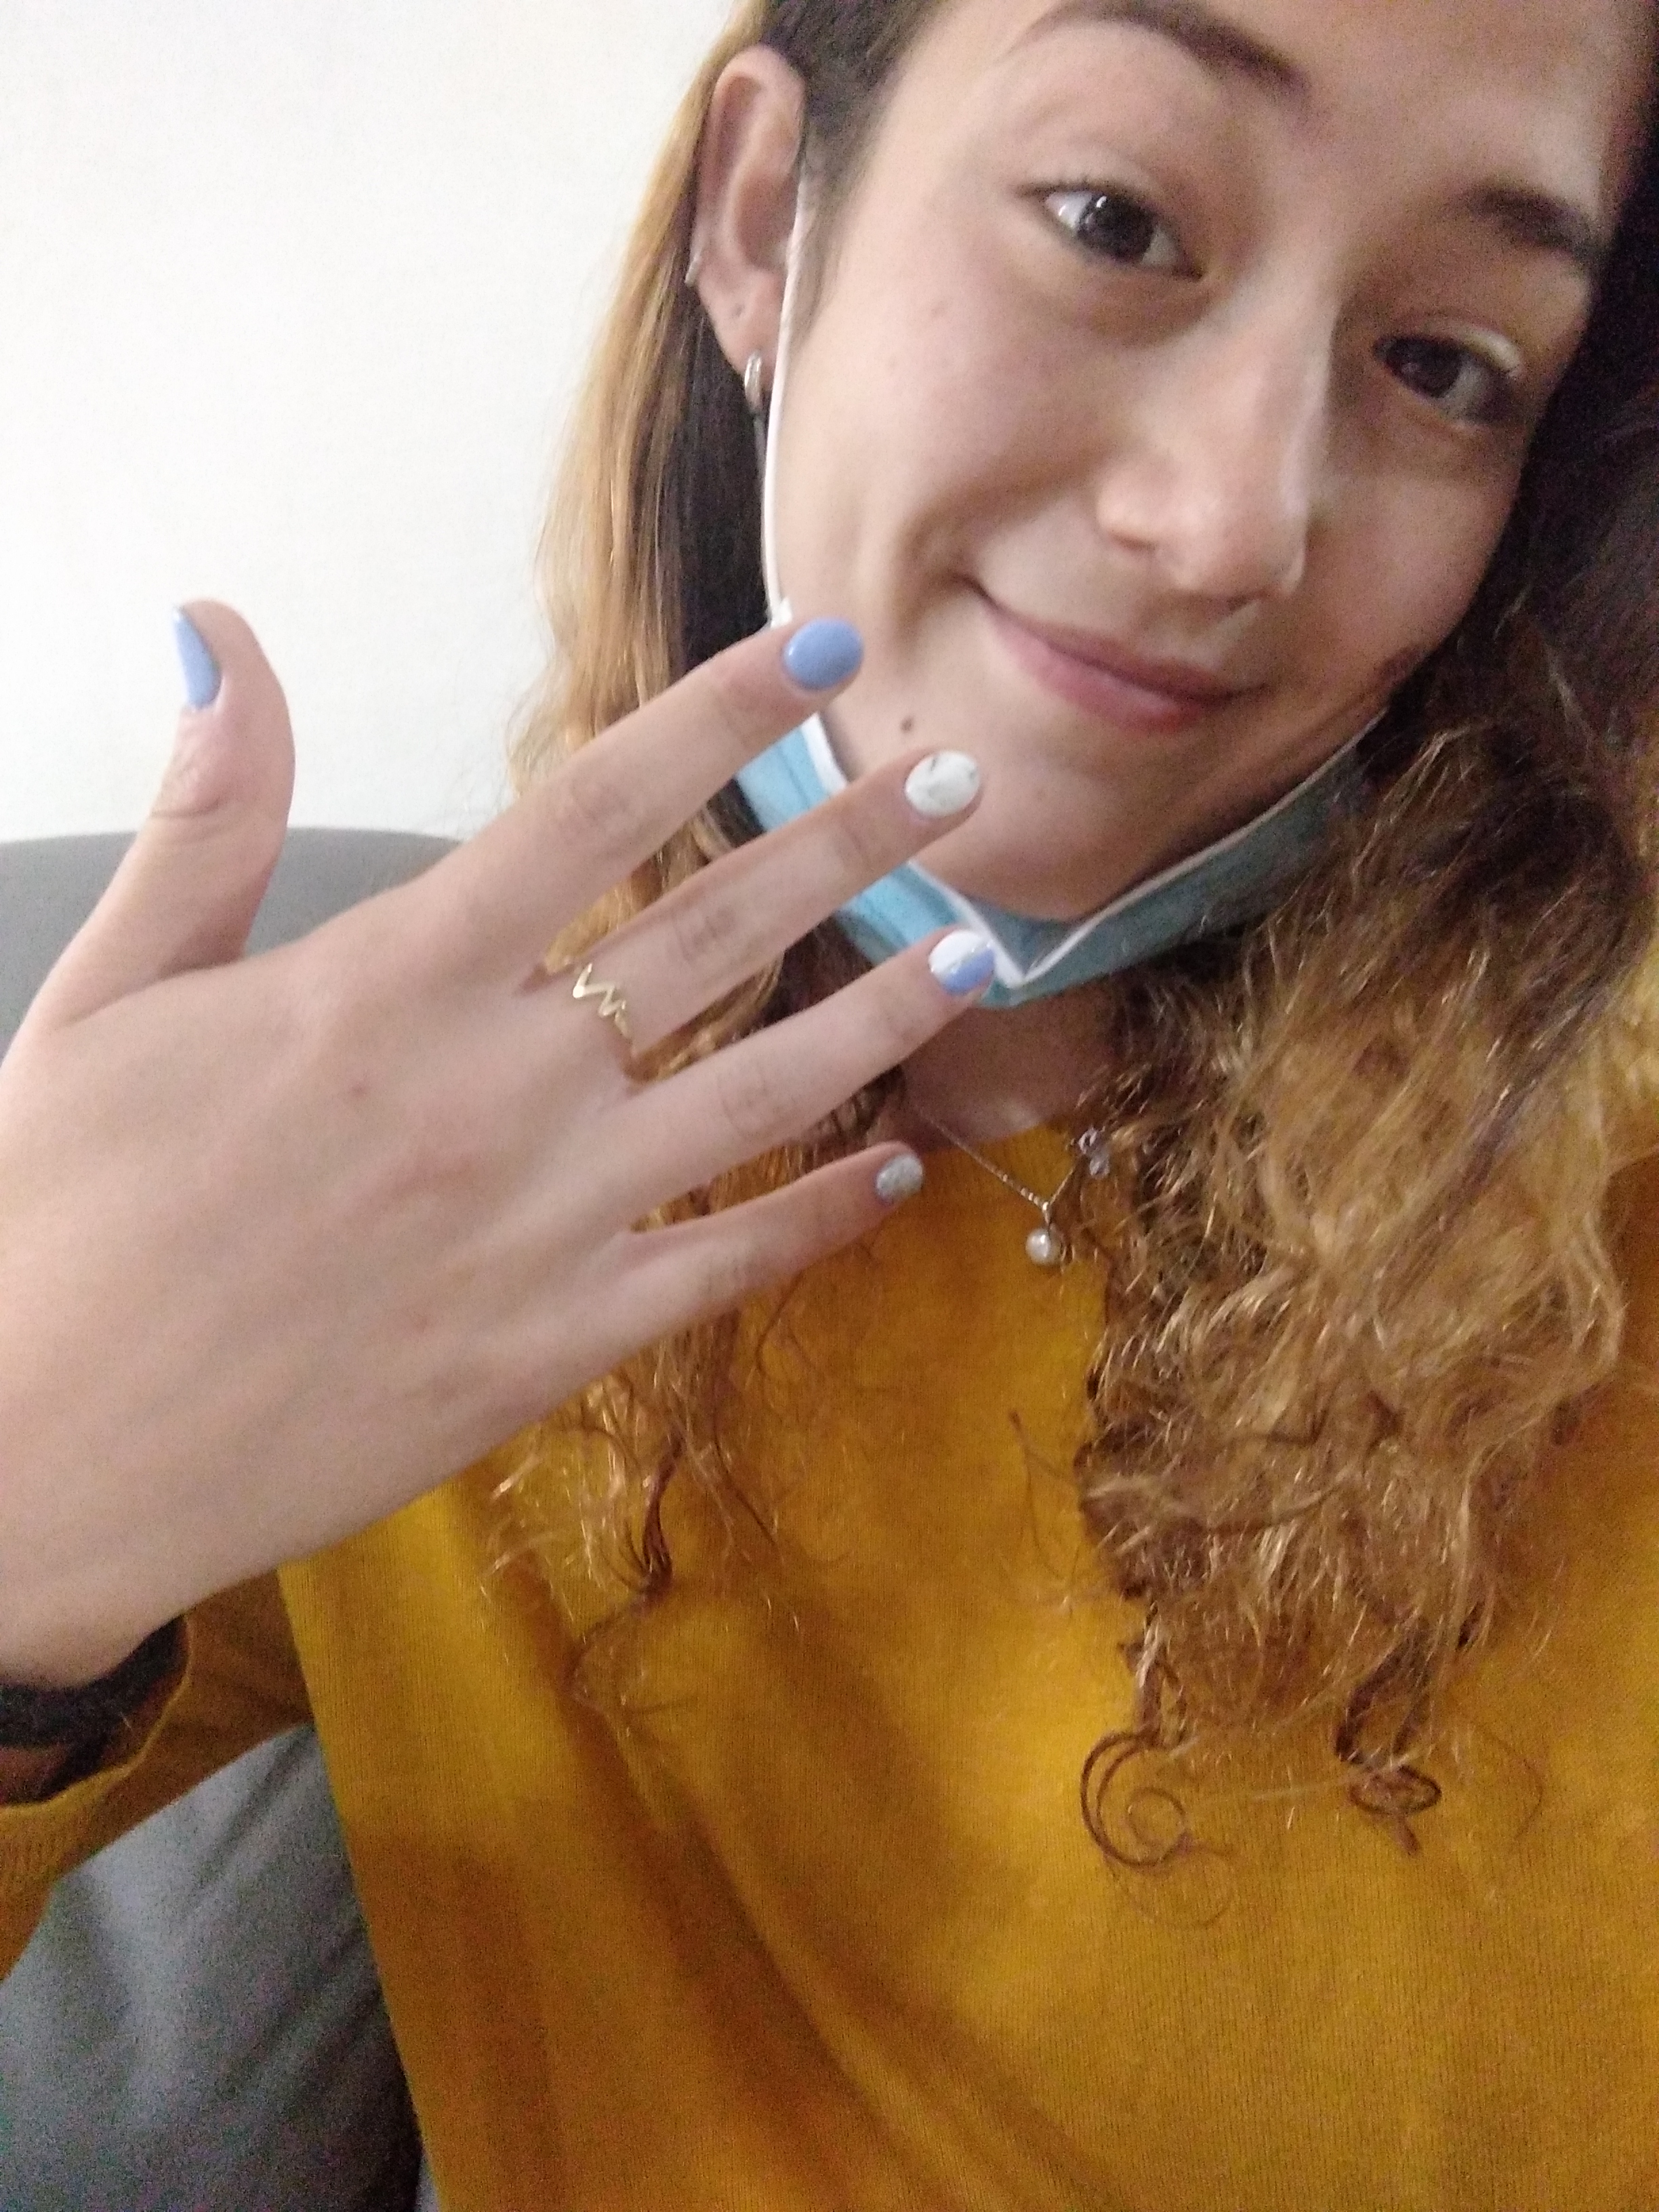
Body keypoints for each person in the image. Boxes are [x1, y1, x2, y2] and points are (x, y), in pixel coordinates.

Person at [4, 0, 1658, 2202]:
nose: (1231, 521)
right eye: (1116, 220)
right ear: (768, 217)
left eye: (1447, 364)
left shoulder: (1607, 1230)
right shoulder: (397, 1184)